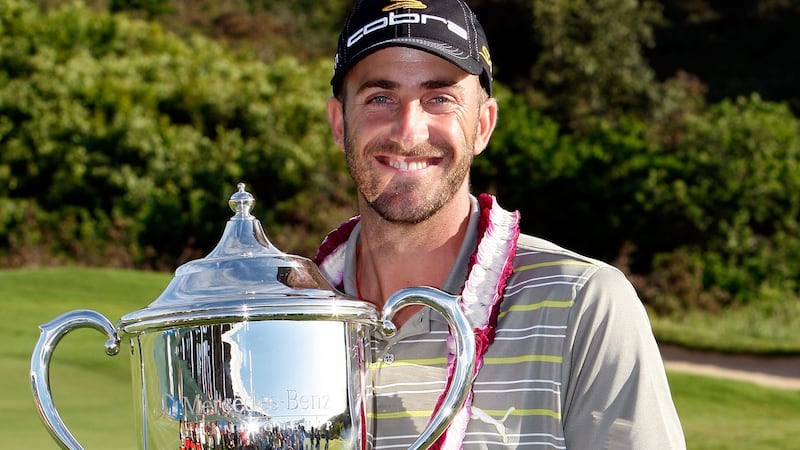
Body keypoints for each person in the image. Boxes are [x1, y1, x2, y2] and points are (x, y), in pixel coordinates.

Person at [314, 0, 686, 448]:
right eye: (380, 98)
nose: (409, 131)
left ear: (483, 126)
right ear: (339, 123)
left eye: (440, 99)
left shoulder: (583, 304)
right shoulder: (287, 315)